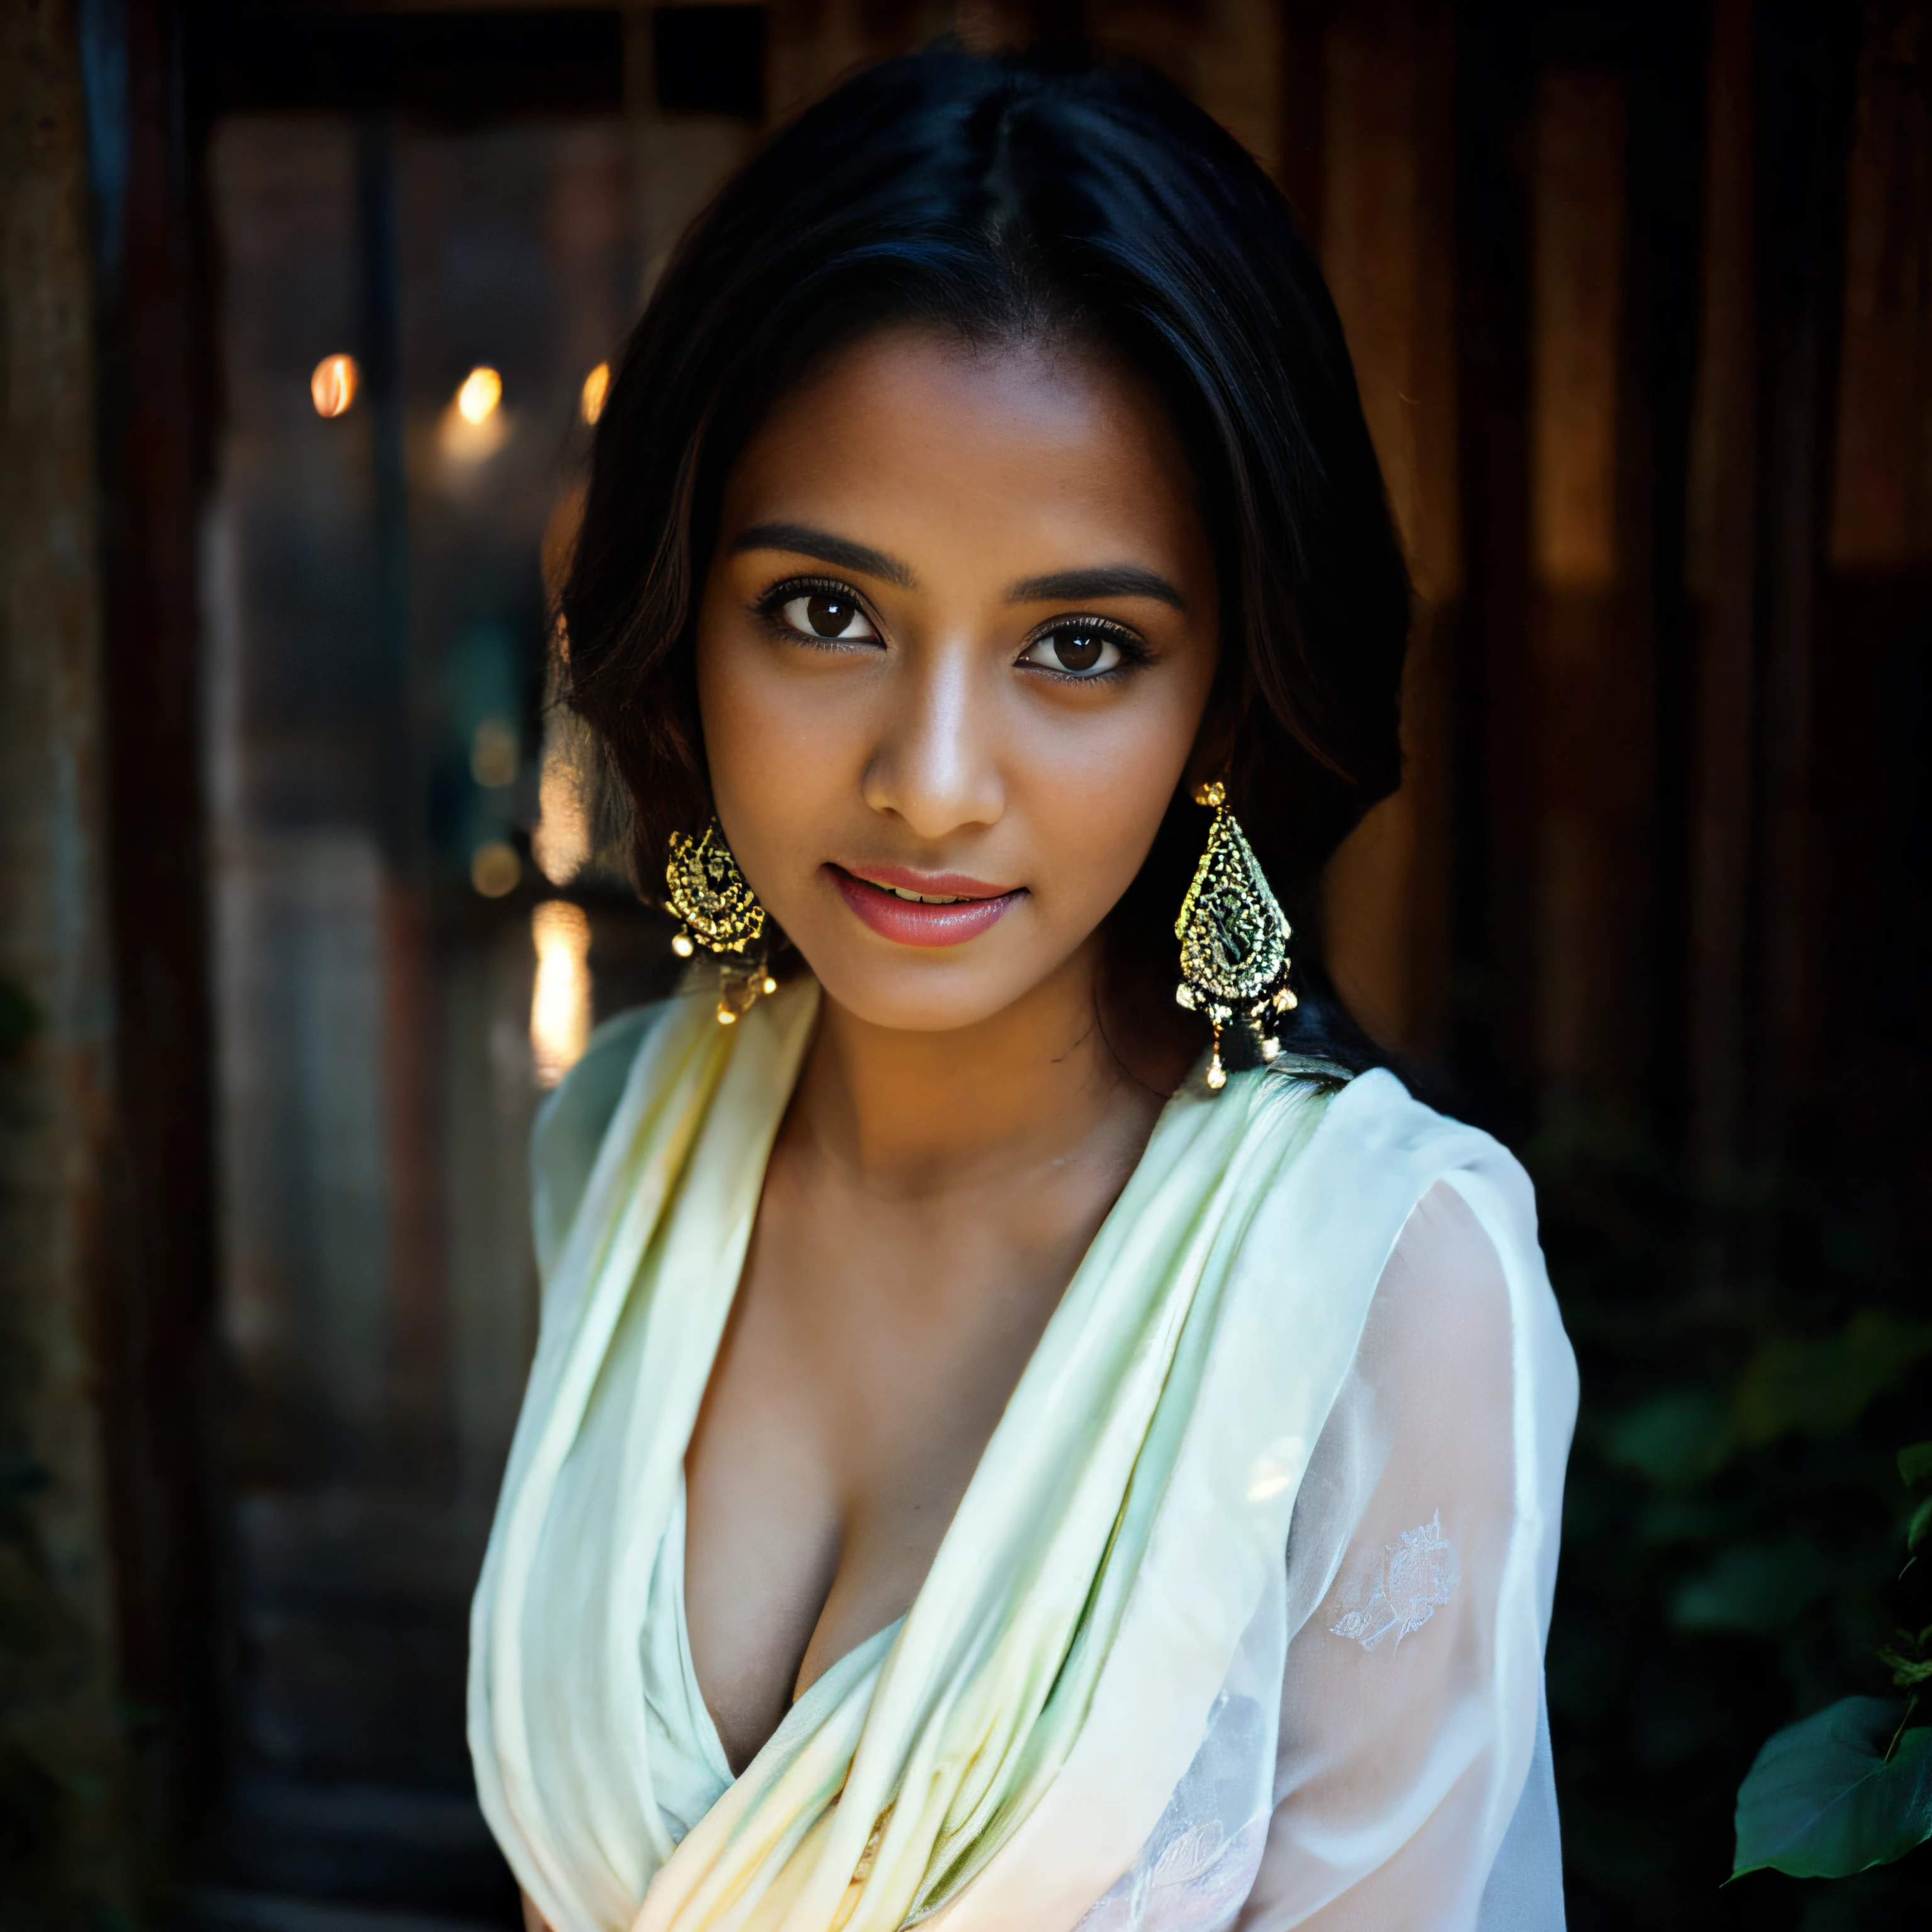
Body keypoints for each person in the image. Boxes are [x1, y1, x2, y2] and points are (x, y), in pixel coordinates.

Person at [469, 43, 1577, 1932]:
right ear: (683, 616)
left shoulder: (1389, 1281)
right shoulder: (624, 1139)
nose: (934, 778)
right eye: (827, 612)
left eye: (1079, 644)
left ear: (1222, 691)